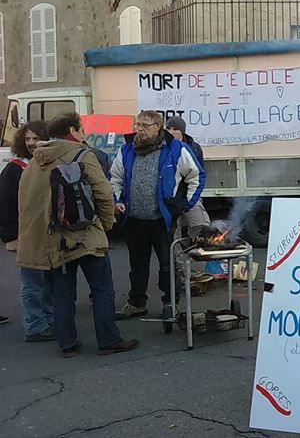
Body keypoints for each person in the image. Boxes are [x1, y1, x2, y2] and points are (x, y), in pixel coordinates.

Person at [16, 112, 139, 357]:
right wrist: (105, 225)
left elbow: (28, 207)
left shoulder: (34, 163)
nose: (84, 133)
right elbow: (103, 193)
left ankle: (67, 344)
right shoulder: (82, 154)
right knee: (102, 290)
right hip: (86, 235)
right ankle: (108, 340)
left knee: (62, 294)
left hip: (56, 242)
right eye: (82, 128)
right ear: (72, 130)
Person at [111, 110, 204, 319]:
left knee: (167, 264)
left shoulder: (176, 149)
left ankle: (171, 303)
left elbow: (196, 175)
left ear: (158, 127)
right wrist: (117, 201)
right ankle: (136, 302)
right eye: (138, 125)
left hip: (162, 219)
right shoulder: (126, 150)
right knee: (137, 264)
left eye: (146, 125)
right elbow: (115, 178)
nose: (140, 129)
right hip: (134, 219)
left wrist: (184, 205)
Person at [1, 122, 55, 342]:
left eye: (36, 139)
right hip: (26, 235)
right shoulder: (15, 169)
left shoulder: (45, 163)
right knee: (32, 282)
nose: (32, 143)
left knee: (49, 281)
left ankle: (48, 319)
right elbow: (5, 204)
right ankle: (35, 325)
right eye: (28, 139)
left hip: (48, 234)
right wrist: (10, 237)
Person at [165, 116, 211, 239]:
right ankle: (179, 258)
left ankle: (196, 252)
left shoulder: (194, 148)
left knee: (202, 226)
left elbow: (199, 173)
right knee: (175, 234)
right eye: (168, 128)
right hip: (171, 197)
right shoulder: (163, 147)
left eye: (175, 129)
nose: (171, 131)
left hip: (189, 194)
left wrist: (191, 200)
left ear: (182, 131)